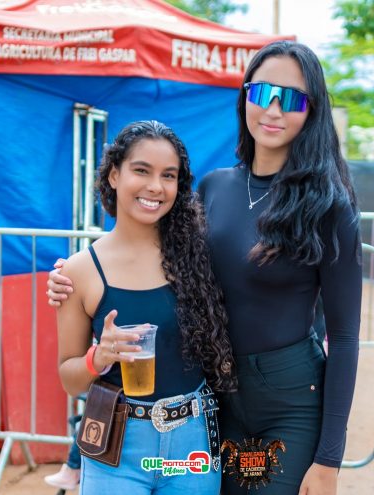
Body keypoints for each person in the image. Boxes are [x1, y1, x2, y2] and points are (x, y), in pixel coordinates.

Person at [49, 41, 362, 495]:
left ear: (312, 111)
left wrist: (329, 458)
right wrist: (72, 275)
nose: (273, 109)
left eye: (291, 98)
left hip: (290, 404)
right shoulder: (215, 188)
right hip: (219, 401)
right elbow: (155, 248)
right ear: (245, 97)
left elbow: (347, 337)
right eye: (262, 93)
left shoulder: (329, 206)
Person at [55, 120, 236, 494]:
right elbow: (69, 377)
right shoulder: (78, 271)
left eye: (168, 176)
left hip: (193, 446)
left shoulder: (200, 255)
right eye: (142, 170)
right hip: (116, 449)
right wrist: (97, 357)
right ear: (114, 175)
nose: (155, 186)